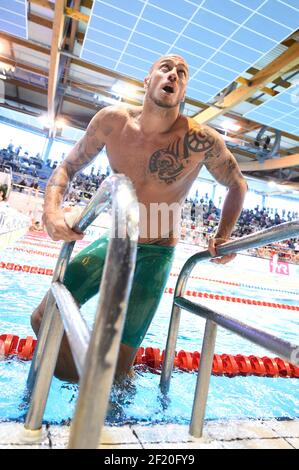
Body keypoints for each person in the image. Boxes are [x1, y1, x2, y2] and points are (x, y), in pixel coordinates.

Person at [31, 54, 248, 382]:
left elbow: (237, 183)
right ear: (148, 80)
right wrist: (51, 212)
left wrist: (224, 234)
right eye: (165, 68)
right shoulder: (112, 123)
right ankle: (90, 386)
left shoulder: (199, 140)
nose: (173, 74)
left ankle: (103, 386)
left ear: (183, 91)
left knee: (117, 369)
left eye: (182, 73)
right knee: (43, 318)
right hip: (115, 242)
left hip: (155, 255)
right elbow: (67, 167)